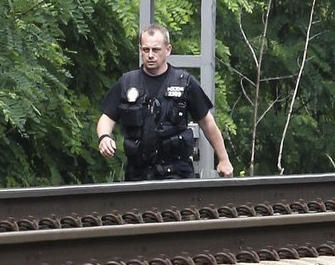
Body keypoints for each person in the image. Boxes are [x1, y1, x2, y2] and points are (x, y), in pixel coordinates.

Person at [96, 24, 234, 180]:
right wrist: (104, 137)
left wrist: (224, 159)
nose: (150, 55)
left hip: (177, 173)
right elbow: (106, 117)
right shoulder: (127, 82)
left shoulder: (184, 82)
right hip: (138, 173)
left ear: (168, 50)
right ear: (140, 50)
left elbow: (207, 122)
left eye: (156, 50)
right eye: (145, 50)